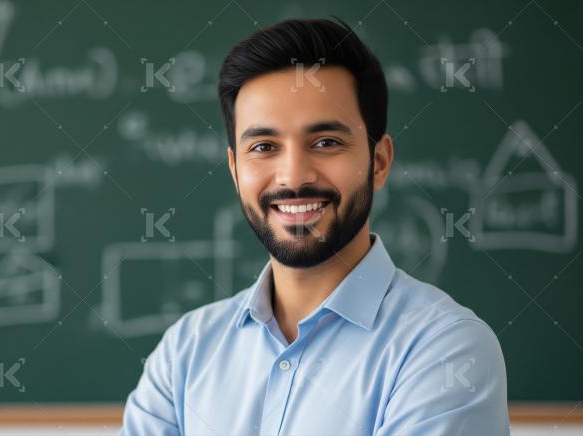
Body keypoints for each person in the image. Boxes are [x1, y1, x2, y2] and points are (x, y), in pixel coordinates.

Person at [120, 17, 508, 435]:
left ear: (378, 161)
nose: (292, 176)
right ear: (235, 171)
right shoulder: (185, 352)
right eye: (264, 147)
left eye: (326, 143)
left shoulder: (446, 349)